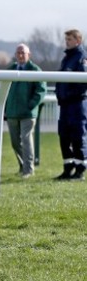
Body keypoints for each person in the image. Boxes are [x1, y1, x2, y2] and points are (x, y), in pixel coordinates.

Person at [4, 43, 46, 178]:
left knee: (26, 140)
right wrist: (5, 108)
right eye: (18, 53)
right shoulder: (9, 70)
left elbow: (41, 90)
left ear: (29, 55)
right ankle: (23, 166)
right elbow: (3, 91)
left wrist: (31, 105)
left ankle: (29, 170)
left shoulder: (35, 70)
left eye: (23, 53)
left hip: (28, 113)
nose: (21, 55)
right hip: (12, 112)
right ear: (15, 55)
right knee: (15, 142)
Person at [54, 29, 87, 181]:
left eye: (70, 39)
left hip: (77, 105)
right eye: (66, 39)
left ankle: (80, 171)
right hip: (65, 105)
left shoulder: (81, 58)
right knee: (64, 137)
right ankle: (68, 169)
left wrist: (67, 95)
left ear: (78, 41)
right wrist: (59, 94)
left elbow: (83, 84)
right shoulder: (67, 58)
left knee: (78, 136)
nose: (66, 42)